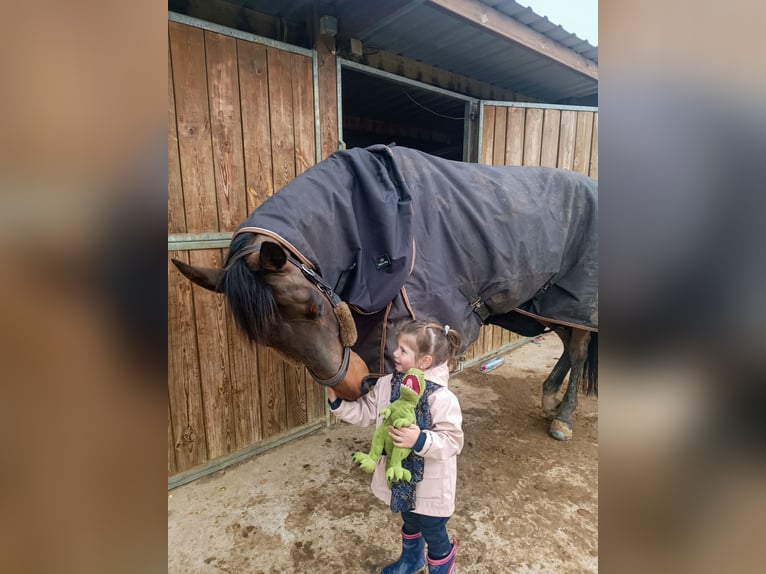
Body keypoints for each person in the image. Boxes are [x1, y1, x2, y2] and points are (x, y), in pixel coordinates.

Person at [327, 319, 464, 574]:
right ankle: (412, 560)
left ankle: (442, 568)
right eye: (397, 347)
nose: (395, 353)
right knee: (410, 519)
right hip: (401, 480)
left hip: (431, 485)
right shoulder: (387, 384)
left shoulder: (442, 398)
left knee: (433, 530)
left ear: (424, 362)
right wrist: (339, 406)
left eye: (403, 350)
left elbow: (452, 441)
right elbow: (369, 412)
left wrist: (419, 440)